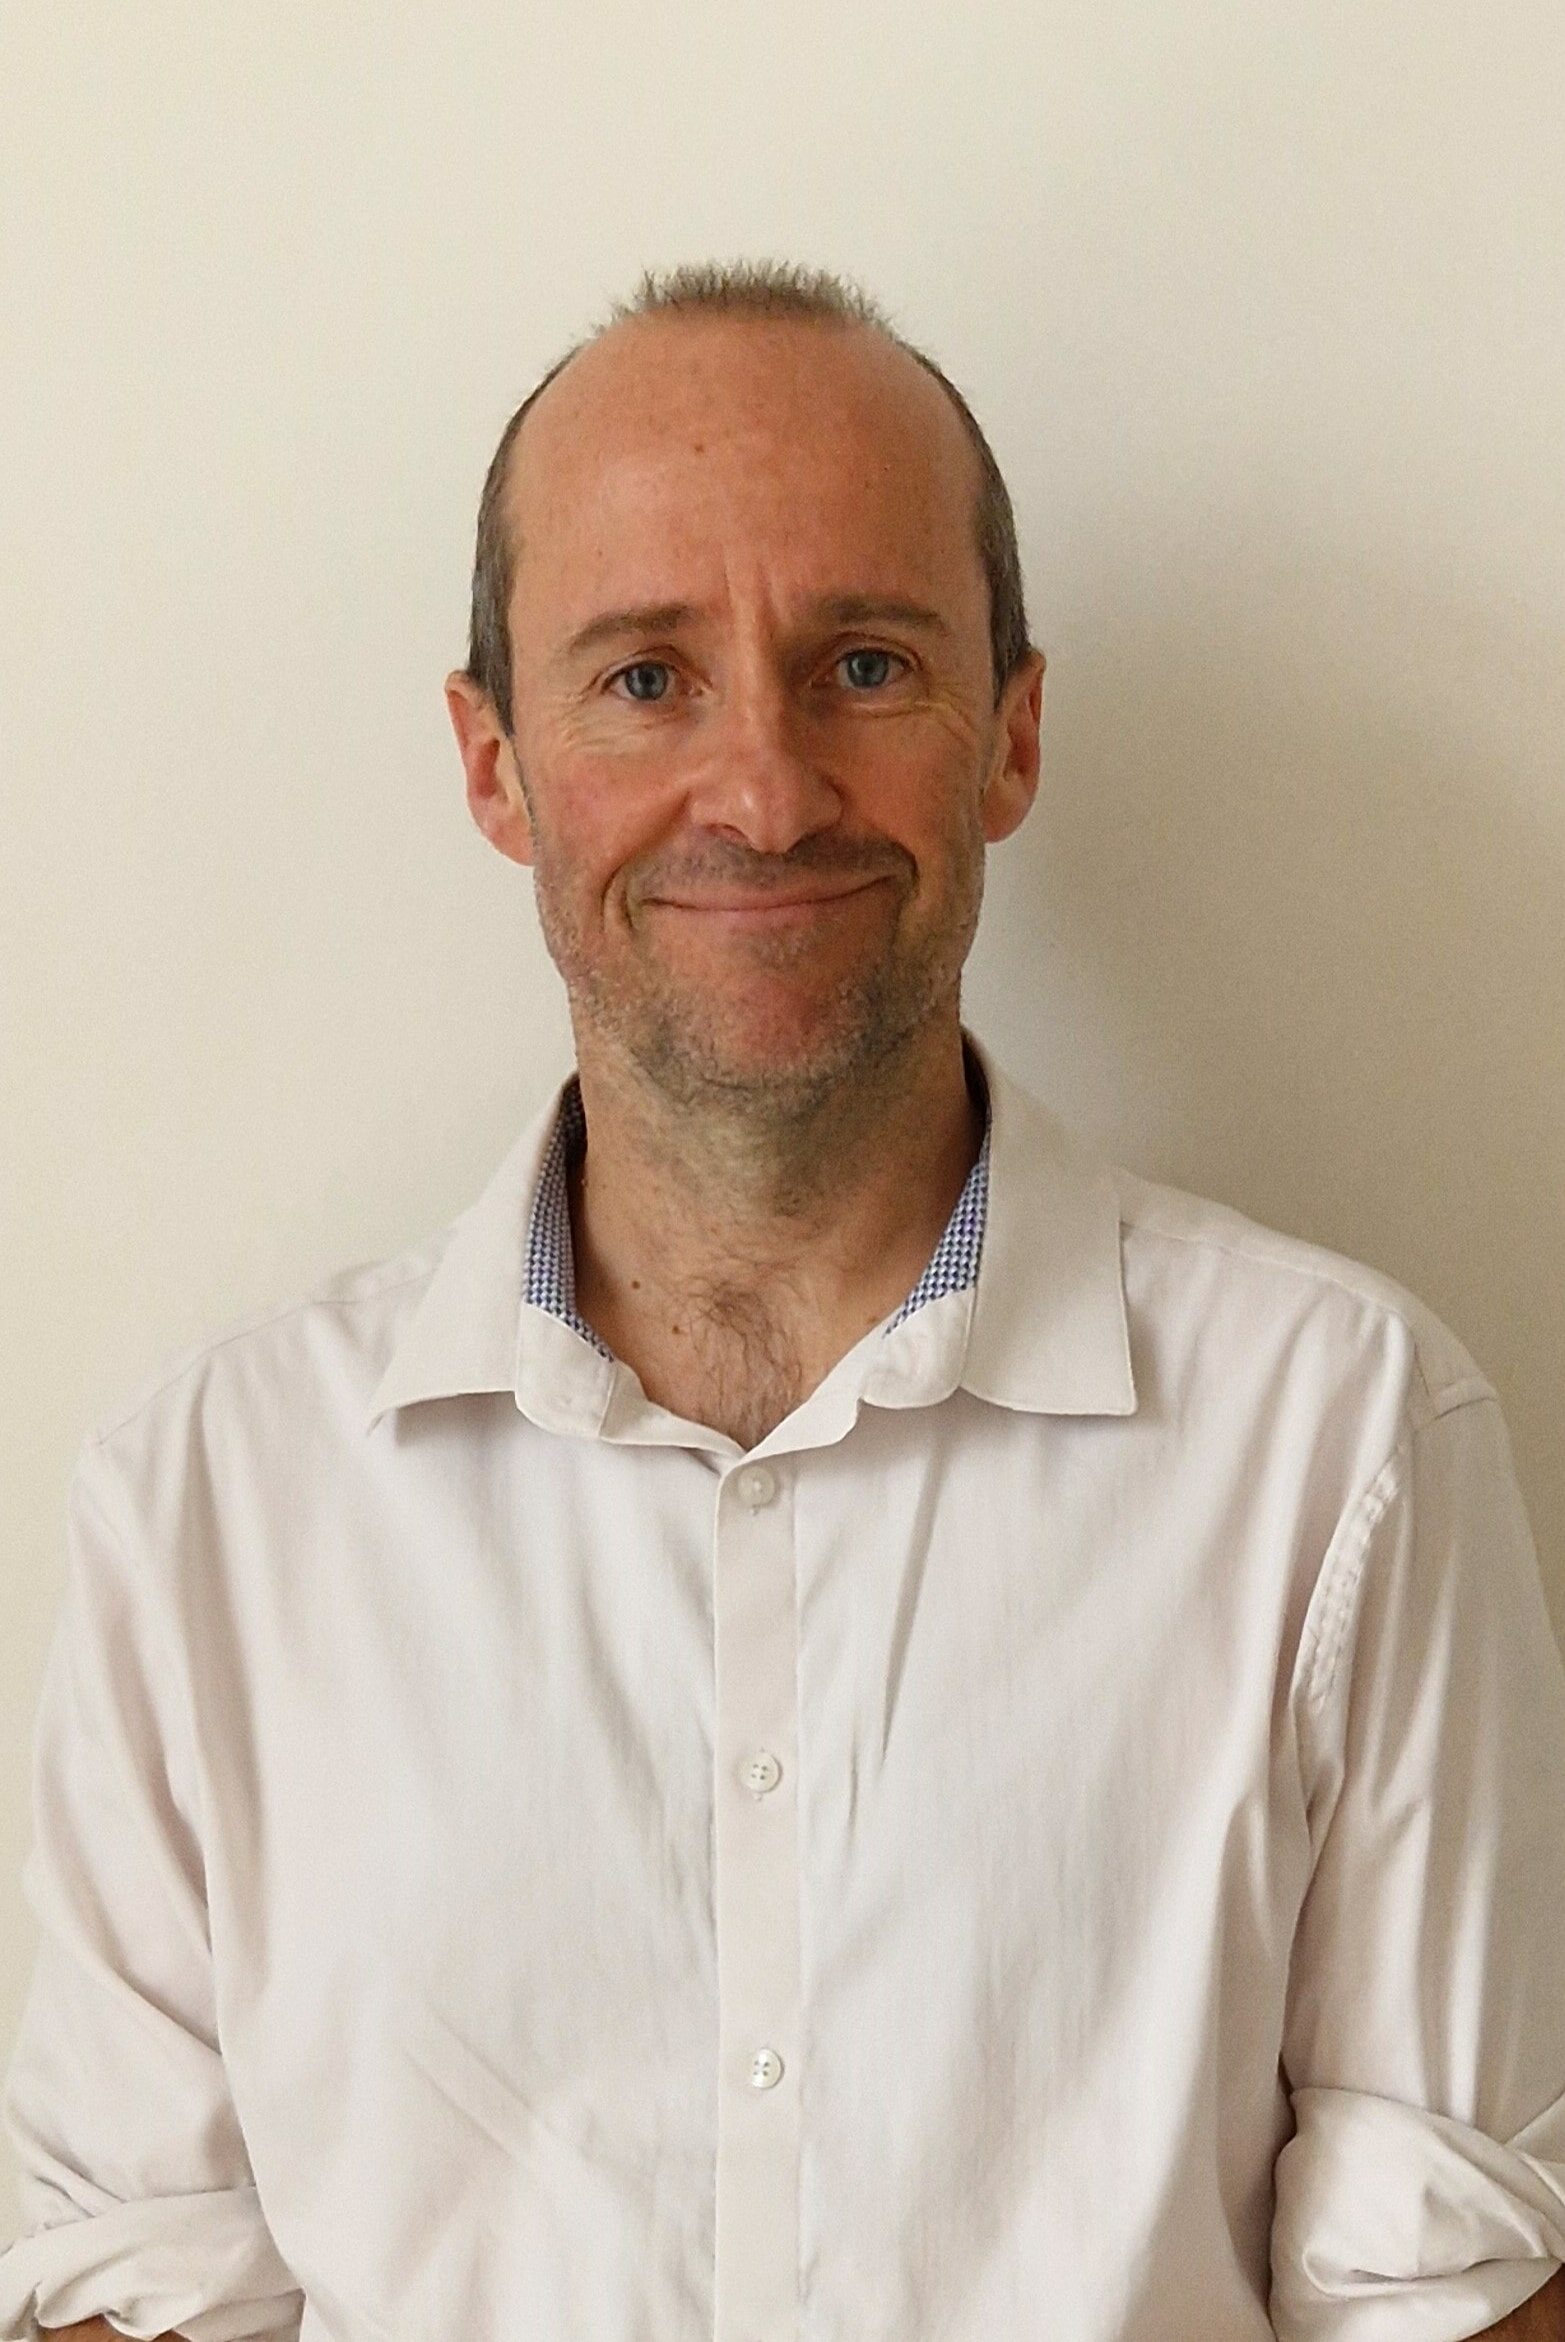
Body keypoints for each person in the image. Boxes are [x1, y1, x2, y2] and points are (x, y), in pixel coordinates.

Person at [2, 259, 1563, 2342]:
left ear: (1011, 735)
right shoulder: (209, 1505)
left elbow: (1447, 2300)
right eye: (646, 676)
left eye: (864, 663)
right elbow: (137, 2291)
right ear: (495, 763)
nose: (762, 790)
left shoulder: (1345, 1435)